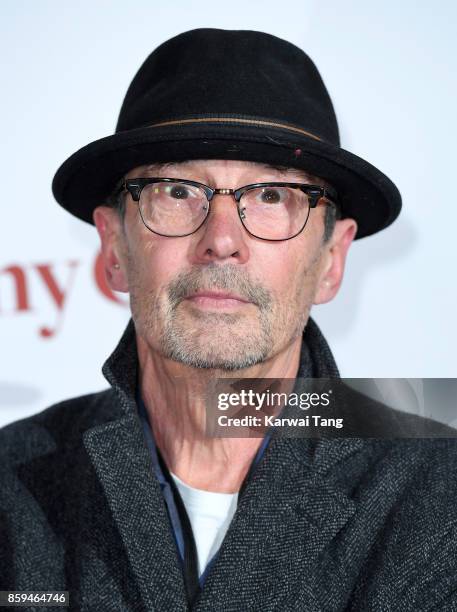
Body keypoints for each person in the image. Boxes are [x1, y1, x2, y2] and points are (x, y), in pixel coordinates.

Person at [1, 28, 456, 611]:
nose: (221, 241)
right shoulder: (11, 485)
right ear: (114, 248)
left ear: (331, 260)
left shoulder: (439, 498)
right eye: (177, 190)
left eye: (271, 196)